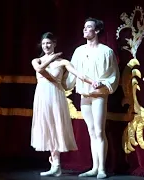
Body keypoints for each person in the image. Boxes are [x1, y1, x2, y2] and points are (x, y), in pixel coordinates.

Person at [30, 32, 93, 177]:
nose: (46, 46)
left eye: (49, 43)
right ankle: (55, 164)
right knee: (48, 127)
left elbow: (79, 74)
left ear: (54, 44)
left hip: (56, 95)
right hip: (42, 96)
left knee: (56, 126)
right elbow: (40, 70)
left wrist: (92, 82)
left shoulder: (63, 62)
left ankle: (57, 164)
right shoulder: (36, 61)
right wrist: (51, 58)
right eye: (44, 43)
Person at [65, 17, 120, 179]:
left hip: (99, 96)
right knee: (90, 131)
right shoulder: (79, 51)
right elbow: (71, 74)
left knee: (99, 130)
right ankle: (94, 167)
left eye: (88, 27)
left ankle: (102, 168)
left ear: (96, 31)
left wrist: (102, 84)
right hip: (85, 95)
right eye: (84, 27)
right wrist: (60, 82)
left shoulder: (106, 51)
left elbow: (113, 75)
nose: (85, 29)